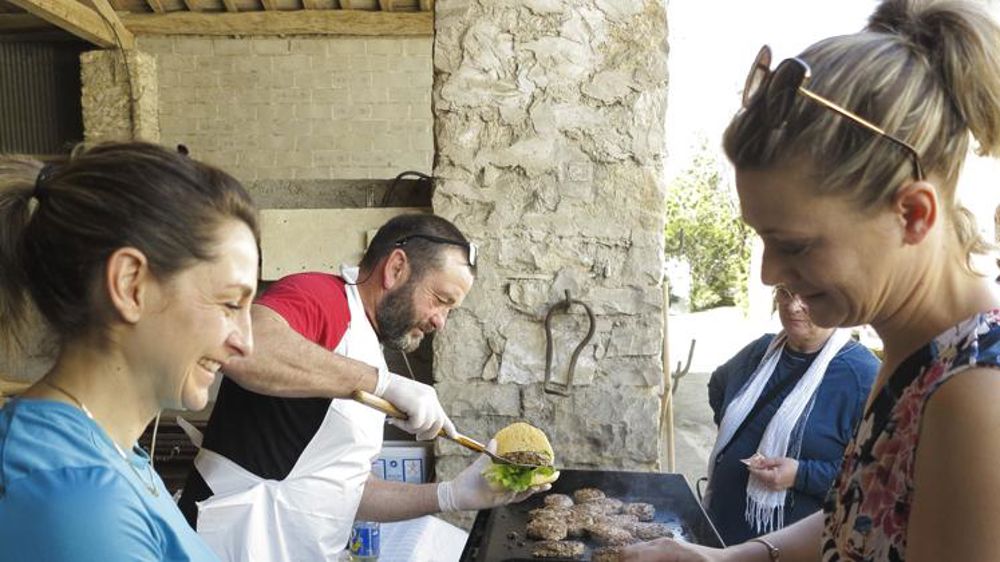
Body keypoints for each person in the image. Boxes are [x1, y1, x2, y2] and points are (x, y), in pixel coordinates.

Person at [623, 0, 1000, 560]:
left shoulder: (976, 396)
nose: (769, 273)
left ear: (913, 215)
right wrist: (728, 558)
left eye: (794, 245)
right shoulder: (914, 347)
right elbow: (862, 509)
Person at [177, 213, 547, 561]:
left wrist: (451, 495)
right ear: (396, 268)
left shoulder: (366, 342)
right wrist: (381, 383)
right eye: (441, 300)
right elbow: (244, 347)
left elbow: (347, 489)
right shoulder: (323, 297)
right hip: (231, 545)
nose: (441, 322)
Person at [0, 142, 260, 561]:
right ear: (129, 285)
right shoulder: (76, 501)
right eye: (231, 304)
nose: (245, 343)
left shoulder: (108, 452)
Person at [704, 286, 878, 545]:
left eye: (808, 294)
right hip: (718, 531)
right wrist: (733, 431)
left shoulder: (863, 376)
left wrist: (801, 474)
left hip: (786, 548)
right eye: (785, 292)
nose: (793, 306)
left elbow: (873, 475)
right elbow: (718, 385)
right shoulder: (761, 351)